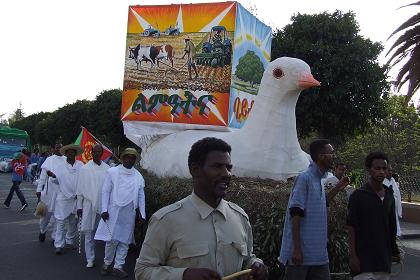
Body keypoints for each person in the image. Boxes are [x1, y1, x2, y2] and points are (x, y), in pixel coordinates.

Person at [135, 137, 268, 280]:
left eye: (228, 167)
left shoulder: (240, 217)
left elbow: (247, 259)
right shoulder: (166, 220)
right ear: (195, 170)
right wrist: (183, 275)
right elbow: (143, 271)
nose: (226, 174)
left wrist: (256, 265)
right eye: (217, 166)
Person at [279, 139, 350, 280]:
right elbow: (296, 213)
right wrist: (297, 249)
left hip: (318, 254)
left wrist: (337, 188)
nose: (334, 156)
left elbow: (321, 204)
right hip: (301, 255)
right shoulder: (304, 178)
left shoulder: (318, 180)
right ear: (321, 156)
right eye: (331, 153)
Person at [347, 152, 400, 280]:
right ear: (369, 170)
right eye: (377, 168)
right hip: (363, 260)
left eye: (384, 168)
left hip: (383, 261)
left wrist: (394, 250)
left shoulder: (389, 195)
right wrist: (353, 255)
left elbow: (392, 225)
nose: (381, 172)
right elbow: (351, 226)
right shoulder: (358, 195)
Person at [95, 148, 146, 278]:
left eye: (132, 157)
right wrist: (104, 210)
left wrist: (142, 214)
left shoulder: (138, 176)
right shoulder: (112, 172)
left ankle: (118, 266)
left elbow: (141, 196)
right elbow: (105, 191)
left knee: (125, 241)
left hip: (129, 212)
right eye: (127, 157)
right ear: (122, 158)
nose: (129, 159)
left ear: (135, 160)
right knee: (111, 240)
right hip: (113, 210)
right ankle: (107, 264)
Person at [76, 144, 110, 268]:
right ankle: (90, 258)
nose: (96, 153)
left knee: (105, 232)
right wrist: (79, 207)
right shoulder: (85, 169)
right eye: (94, 151)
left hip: (103, 204)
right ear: (91, 152)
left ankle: (107, 259)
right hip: (88, 204)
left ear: (102, 153)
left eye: (99, 151)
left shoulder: (107, 169)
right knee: (89, 232)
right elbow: (79, 190)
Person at [53, 144, 84, 254]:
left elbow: (84, 181)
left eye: (72, 152)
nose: (70, 153)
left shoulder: (81, 166)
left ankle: (69, 241)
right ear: (65, 154)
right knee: (60, 222)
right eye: (68, 152)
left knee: (73, 221)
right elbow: (56, 181)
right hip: (63, 197)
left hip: (76, 198)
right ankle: (58, 244)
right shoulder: (60, 166)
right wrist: (53, 177)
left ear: (75, 154)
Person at [36, 144, 65, 242]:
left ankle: (55, 236)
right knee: (45, 216)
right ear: (53, 149)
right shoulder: (49, 160)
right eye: (57, 147)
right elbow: (43, 177)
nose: (59, 149)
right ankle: (42, 230)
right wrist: (39, 190)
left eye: (60, 147)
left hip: (61, 192)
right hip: (49, 193)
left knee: (59, 217)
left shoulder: (66, 160)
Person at [383, 165, 402, 237]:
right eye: (388, 170)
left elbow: (398, 195)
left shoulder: (393, 181)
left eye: (391, 171)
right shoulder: (382, 182)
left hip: (394, 208)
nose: (390, 172)